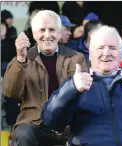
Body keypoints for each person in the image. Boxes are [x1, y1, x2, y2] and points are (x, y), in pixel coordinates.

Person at [41, 25, 122, 146]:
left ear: (121, 54)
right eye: (100, 48)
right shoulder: (75, 83)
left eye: (112, 48)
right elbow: (51, 121)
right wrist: (71, 88)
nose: (106, 53)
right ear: (90, 54)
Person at [2, 10, 87, 146]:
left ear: (59, 33)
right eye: (42, 30)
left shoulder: (76, 58)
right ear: (34, 34)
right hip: (33, 124)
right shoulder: (22, 58)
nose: (47, 35)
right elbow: (10, 92)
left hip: (67, 126)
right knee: (24, 134)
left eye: (52, 30)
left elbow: (85, 97)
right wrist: (20, 60)